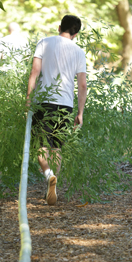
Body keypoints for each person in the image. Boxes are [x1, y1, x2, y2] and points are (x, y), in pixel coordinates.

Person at [26, 15, 87, 206]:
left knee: (41, 146)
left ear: (59, 27)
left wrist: (28, 100)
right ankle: (53, 186)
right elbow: (83, 85)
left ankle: (48, 175)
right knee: (56, 147)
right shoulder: (79, 52)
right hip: (65, 104)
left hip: (43, 101)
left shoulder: (44, 42)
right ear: (76, 33)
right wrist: (80, 112)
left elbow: (34, 73)